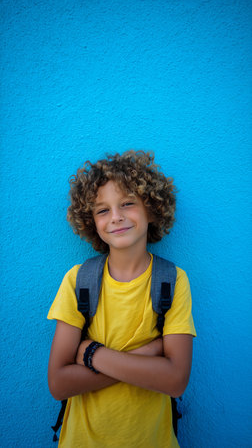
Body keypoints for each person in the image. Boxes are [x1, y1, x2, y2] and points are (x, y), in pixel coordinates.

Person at [47, 150, 196, 447]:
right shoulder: (78, 281)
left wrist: (91, 355)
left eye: (128, 203)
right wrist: (149, 355)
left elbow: (176, 380)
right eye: (102, 210)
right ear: (91, 220)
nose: (115, 217)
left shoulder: (172, 280)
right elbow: (59, 383)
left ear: (152, 209)